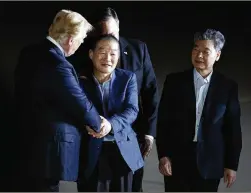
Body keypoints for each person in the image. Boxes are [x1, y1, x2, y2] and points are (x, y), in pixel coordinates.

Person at [14, 9, 109, 191]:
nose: (80, 45)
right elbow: (78, 101)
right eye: (81, 41)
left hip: (27, 143)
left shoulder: (29, 53)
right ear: (70, 40)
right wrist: (99, 124)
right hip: (47, 152)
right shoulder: (58, 64)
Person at [70, 7, 159, 192]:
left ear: (118, 26)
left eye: (111, 33)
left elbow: (149, 94)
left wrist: (149, 133)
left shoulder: (137, 51)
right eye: (102, 36)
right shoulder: (84, 57)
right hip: (92, 145)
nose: (108, 58)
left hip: (129, 139)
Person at [156, 28, 242, 192]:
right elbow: (163, 121)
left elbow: (233, 129)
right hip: (177, 161)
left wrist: (231, 165)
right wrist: (163, 155)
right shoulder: (174, 82)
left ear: (217, 55)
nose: (199, 55)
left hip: (210, 163)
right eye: (196, 49)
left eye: (205, 51)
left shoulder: (227, 87)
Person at [77, 34, 144, 192]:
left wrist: (110, 124)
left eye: (113, 53)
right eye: (102, 52)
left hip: (123, 151)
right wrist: (87, 124)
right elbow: (75, 110)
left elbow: (132, 110)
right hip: (92, 151)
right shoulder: (79, 80)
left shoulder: (127, 78)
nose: (108, 58)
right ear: (91, 54)